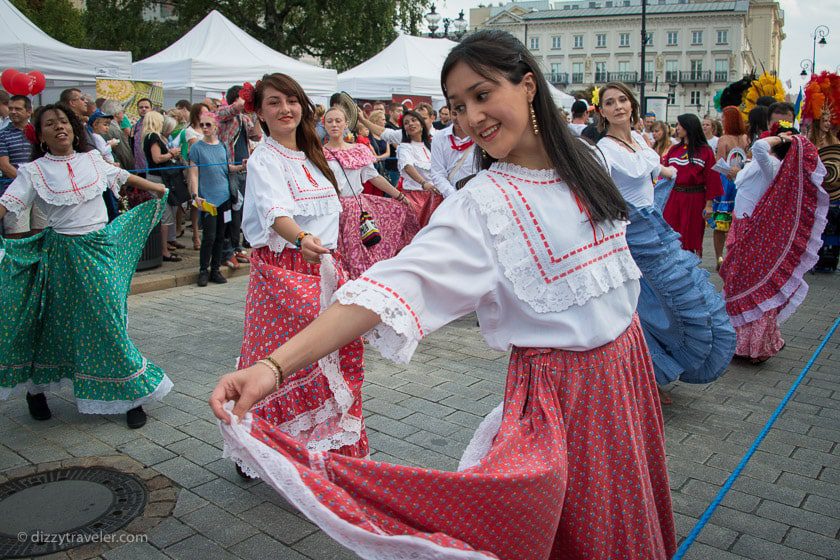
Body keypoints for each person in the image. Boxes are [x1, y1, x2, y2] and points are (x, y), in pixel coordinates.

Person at [211, 30, 675, 560]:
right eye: (458, 106)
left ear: (528, 86)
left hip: (626, 373)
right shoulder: (483, 205)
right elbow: (390, 288)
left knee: (628, 515)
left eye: (482, 95)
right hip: (562, 398)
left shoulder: (588, 163)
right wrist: (272, 366)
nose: (472, 117)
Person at [0, 103, 170, 429]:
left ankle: (131, 395)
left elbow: (120, 174)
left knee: (109, 320)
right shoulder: (33, 171)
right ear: (42, 135)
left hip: (100, 249)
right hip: (61, 255)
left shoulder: (92, 159)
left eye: (64, 121)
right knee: (54, 324)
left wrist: (155, 187)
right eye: (50, 124)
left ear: (74, 128)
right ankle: (36, 391)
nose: (59, 127)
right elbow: (7, 204)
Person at [235, 73, 370, 475]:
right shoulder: (265, 157)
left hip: (323, 268)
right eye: (273, 102)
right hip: (285, 272)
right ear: (258, 112)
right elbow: (276, 212)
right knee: (282, 361)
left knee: (328, 357)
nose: (285, 109)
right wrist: (302, 239)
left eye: (291, 100)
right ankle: (258, 448)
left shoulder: (316, 156)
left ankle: (324, 451)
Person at [596, 82, 734, 403]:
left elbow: (655, 169)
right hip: (627, 236)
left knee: (670, 302)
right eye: (610, 102)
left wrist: (667, 172)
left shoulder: (642, 142)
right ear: (602, 112)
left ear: (631, 106)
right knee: (639, 308)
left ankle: (652, 375)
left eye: (622, 100)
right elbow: (599, 189)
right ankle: (644, 380)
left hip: (654, 231)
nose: (618, 106)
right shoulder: (604, 149)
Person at [721, 124, 828, 363]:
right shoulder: (764, 163)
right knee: (736, 280)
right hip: (741, 223)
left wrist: (780, 138)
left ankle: (755, 344)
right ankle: (741, 340)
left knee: (748, 282)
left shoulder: (777, 167)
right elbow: (745, 178)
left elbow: (759, 146)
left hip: (752, 227)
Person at [322, 106, 419, 278]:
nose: (334, 125)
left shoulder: (358, 150)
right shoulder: (318, 153)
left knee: (360, 251)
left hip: (355, 209)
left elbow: (374, 177)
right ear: (324, 125)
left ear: (346, 124)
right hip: (330, 210)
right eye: (329, 121)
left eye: (338, 121)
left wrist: (399, 195)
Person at [662, 113, 723, 256]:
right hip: (674, 198)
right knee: (671, 235)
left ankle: (690, 270)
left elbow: (712, 179)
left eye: (679, 125)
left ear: (689, 127)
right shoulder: (674, 149)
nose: (677, 128)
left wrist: (709, 205)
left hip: (694, 199)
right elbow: (665, 175)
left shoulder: (705, 151)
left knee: (690, 236)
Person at [188, 112, 232, 287]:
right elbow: (193, 173)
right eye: (202, 125)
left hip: (225, 197)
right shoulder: (196, 148)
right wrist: (195, 194)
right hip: (208, 199)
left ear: (216, 127)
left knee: (221, 235)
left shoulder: (223, 146)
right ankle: (203, 270)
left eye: (208, 124)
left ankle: (215, 269)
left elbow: (226, 168)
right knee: (209, 236)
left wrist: (241, 167)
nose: (204, 128)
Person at [710, 106, 750, 269]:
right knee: (739, 220)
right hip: (741, 181)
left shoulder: (724, 139)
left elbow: (718, 162)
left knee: (721, 223)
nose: (722, 120)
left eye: (724, 118)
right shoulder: (746, 138)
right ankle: (737, 256)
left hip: (726, 182)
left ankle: (720, 257)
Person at [142, 110, 182, 262]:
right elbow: (157, 158)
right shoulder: (153, 136)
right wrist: (171, 153)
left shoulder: (148, 136)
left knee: (164, 213)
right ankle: (164, 250)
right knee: (164, 214)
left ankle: (165, 246)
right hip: (158, 179)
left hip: (156, 177)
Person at [0, 94, 41, 238]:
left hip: (40, 189)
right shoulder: (2, 135)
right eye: (10, 108)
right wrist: (26, 182)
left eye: (18, 109)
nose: (13, 112)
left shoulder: (39, 133)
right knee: (17, 233)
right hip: (15, 188)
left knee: (41, 231)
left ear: (29, 111)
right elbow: (4, 165)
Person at [396, 110, 440, 227]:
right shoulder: (404, 147)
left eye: (413, 120)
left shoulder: (431, 145)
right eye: (406, 123)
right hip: (414, 197)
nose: (410, 124)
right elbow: (407, 166)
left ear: (421, 124)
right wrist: (423, 183)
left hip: (435, 195)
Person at [430, 109, 477, 197]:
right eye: (455, 114)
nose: (458, 118)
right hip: (449, 198)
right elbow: (437, 172)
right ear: (450, 114)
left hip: (477, 195)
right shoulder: (439, 137)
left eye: (463, 113)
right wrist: (453, 195)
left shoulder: (480, 135)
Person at [100, 100, 134, 171]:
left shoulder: (102, 126)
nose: (124, 115)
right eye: (123, 112)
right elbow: (124, 153)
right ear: (117, 114)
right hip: (118, 168)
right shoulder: (114, 129)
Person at [132, 98, 153, 176]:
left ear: (151, 109)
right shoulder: (136, 125)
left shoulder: (154, 124)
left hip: (151, 167)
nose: (144, 109)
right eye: (141, 107)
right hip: (139, 167)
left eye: (146, 107)